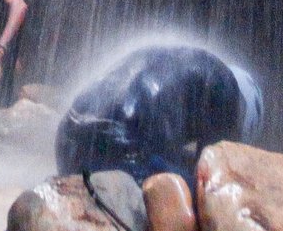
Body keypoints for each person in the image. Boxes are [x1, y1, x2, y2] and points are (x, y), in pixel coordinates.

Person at [55, 44, 264, 183]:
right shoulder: (227, 90)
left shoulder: (185, 63)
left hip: (69, 142)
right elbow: (210, 174)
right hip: (117, 153)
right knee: (196, 194)